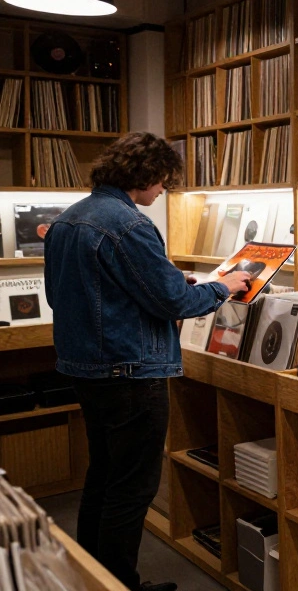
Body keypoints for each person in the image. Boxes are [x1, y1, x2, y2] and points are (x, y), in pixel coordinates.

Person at [44, 133, 252, 591]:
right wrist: (225, 286)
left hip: (87, 372)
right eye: (162, 182)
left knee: (102, 477)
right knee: (132, 489)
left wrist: (168, 281)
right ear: (145, 175)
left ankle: (94, 580)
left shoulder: (66, 222)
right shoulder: (130, 226)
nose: (162, 192)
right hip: (130, 374)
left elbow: (62, 297)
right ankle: (120, 584)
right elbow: (173, 301)